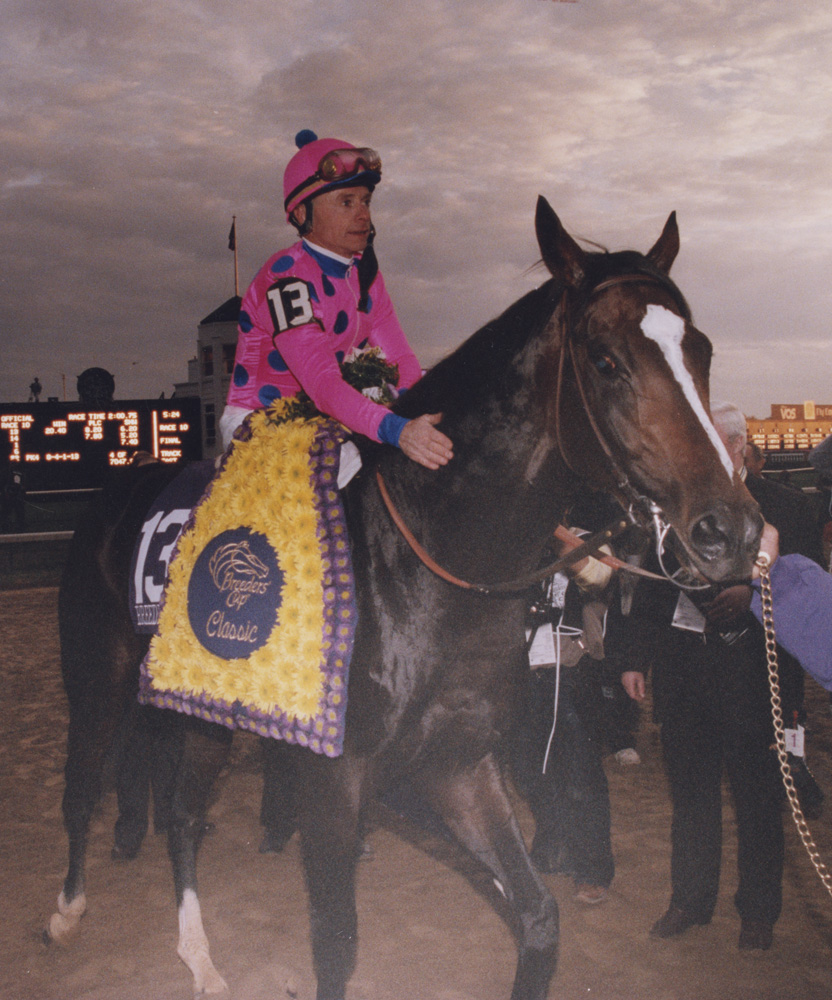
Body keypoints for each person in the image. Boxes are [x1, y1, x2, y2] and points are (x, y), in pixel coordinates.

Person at [618, 403, 788, 952]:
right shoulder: (674, 511)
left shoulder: (781, 507)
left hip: (749, 678)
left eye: (716, 445)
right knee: (691, 795)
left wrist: (754, 593)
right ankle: (690, 901)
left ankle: (758, 913)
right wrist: (632, 658)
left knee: (757, 798)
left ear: (739, 447)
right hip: (682, 675)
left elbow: (804, 594)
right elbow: (650, 587)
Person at [220, 130, 453, 472]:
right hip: (261, 424)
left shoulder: (365, 273)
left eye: (365, 201)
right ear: (301, 214)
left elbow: (402, 358)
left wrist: (417, 411)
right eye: (346, 202)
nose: (362, 215)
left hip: (327, 414)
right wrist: (397, 430)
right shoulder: (285, 279)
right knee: (354, 465)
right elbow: (323, 384)